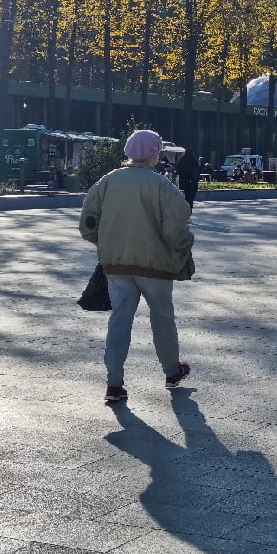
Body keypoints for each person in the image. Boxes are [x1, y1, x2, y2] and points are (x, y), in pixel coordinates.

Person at [79, 129, 195, 407]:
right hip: (154, 266)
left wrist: (106, 244)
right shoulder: (162, 185)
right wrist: (182, 245)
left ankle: (114, 383)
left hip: (116, 264)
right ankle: (171, 371)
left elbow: (88, 223)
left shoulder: (107, 181)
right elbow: (175, 226)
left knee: (120, 320)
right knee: (162, 317)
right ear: (155, 155)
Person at [178, 149, 200, 214]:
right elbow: (198, 171)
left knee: (187, 196)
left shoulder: (182, 160)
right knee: (191, 197)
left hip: (184, 181)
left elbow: (178, 170)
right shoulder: (194, 161)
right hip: (193, 182)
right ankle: (189, 210)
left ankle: (185, 210)